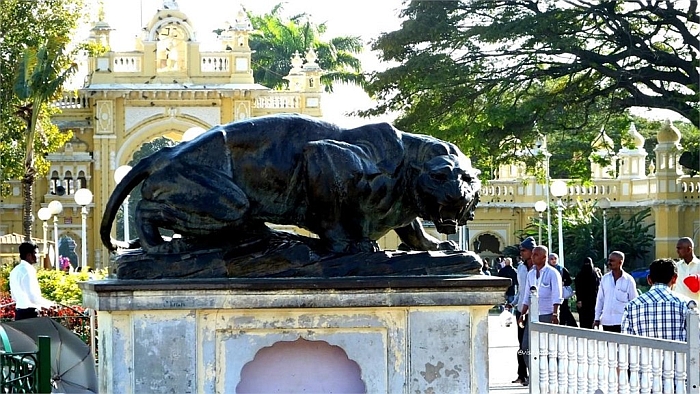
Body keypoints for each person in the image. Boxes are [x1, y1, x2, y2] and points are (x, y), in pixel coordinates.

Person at [518, 245, 563, 381]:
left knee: (548, 347)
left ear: (544, 257)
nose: (533, 257)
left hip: (548, 314)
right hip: (533, 315)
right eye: (532, 254)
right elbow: (527, 295)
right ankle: (535, 374)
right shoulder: (531, 273)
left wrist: (555, 314)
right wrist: (522, 313)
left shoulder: (552, 273)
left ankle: (549, 376)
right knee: (526, 347)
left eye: (536, 255)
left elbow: (557, 295)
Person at [622, 258, 690, 341]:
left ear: (649, 279)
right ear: (674, 278)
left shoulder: (631, 306)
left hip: (644, 354)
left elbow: (626, 343)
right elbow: (695, 339)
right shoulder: (686, 304)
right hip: (678, 354)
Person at [593, 251, 638, 332]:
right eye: (609, 260)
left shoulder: (629, 280)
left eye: (612, 261)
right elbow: (600, 300)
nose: (609, 263)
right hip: (607, 322)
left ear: (620, 262)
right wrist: (596, 319)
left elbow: (634, 301)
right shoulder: (605, 279)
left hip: (622, 322)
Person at [9, 242, 55, 320]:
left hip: (19, 313)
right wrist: (50, 304)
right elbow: (32, 297)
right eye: (36, 253)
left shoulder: (15, 270)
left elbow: (13, 296)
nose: (38, 255)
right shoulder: (28, 270)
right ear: (29, 255)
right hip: (30, 313)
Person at [512, 236, 536, 386]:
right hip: (521, 311)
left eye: (524, 250)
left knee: (532, 345)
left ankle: (535, 372)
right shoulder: (520, 268)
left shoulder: (539, 269)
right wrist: (513, 303)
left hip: (535, 312)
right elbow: (521, 291)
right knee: (522, 345)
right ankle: (522, 374)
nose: (521, 253)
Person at [548, 253, 578, 327]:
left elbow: (569, 280)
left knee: (564, 309)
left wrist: (563, 282)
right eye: (551, 259)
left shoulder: (561, 269)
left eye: (555, 259)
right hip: (550, 294)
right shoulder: (546, 269)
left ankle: (564, 323)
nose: (554, 260)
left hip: (561, 293)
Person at [575, 257, 601, 329]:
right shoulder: (581, 275)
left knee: (590, 320)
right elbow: (578, 288)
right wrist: (579, 300)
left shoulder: (594, 275)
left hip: (592, 301)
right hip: (586, 301)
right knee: (584, 321)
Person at [674, 237, 700, 302]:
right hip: (679, 307)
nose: (677, 251)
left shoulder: (699, 265)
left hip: (696, 308)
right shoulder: (676, 266)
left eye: (679, 248)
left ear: (689, 249)